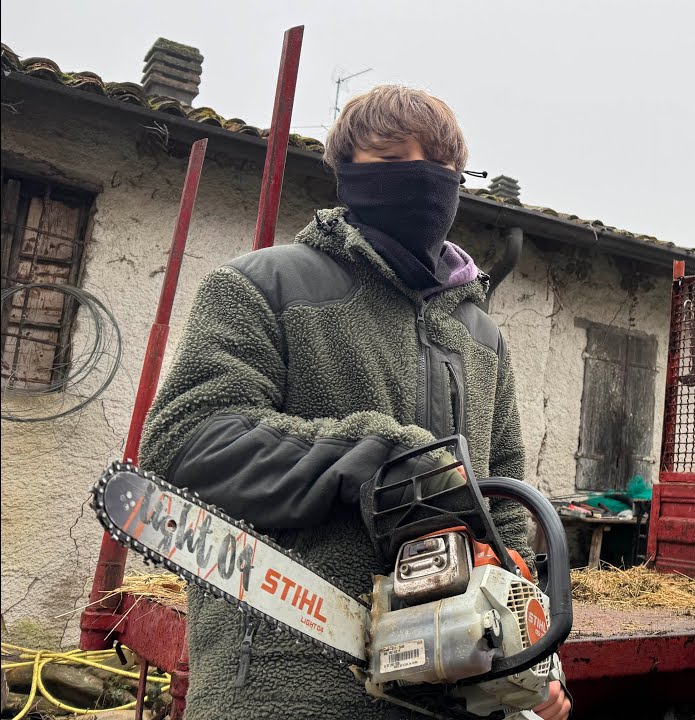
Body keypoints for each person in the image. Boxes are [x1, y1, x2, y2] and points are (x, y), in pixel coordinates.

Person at [138, 85, 570, 720]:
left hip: (447, 689)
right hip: (285, 688)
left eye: (441, 167)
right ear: (346, 173)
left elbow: (502, 506)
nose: (423, 180)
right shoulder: (264, 284)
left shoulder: (482, 336)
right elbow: (187, 440)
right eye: (394, 161)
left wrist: (530, 648)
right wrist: (375, 457)